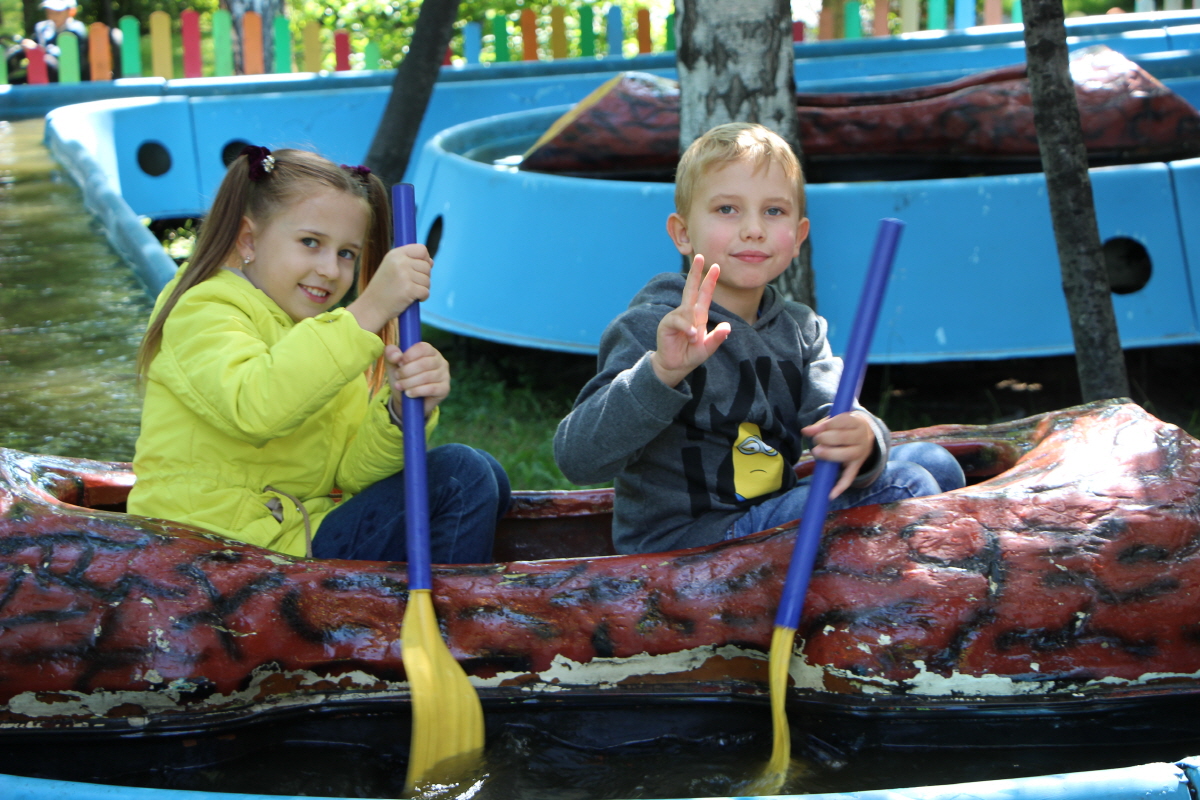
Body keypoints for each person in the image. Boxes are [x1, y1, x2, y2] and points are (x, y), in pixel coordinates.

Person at [554, 122, 964, 555]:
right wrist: (661, 373)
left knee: (936, 464)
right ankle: (890, 614)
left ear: (799, 237)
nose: (753, 229)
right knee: (910, 484)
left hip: (768, 518)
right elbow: (577, 459)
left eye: (773, 211)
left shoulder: (802, 330)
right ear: (682, 232)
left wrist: (862, 436)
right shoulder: (654, 327)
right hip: (686, 546)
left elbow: (836, 414)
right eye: (727, 209)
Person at [128, 146, 509, 564]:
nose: (331, 269)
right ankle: (453, 621)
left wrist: (400, 412)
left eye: (347, 253)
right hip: (214, 550)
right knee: (462, 475)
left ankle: (430, 613)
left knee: (488, 475)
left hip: (293, 536)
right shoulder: (203, 309)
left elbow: (348, 475)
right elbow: (256, 406)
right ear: (248, 239)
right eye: (311, 243)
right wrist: (367, 311)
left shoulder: (327, 337)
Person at [5, 0, 89, 82]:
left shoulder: (76, 30)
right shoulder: (43, 28)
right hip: (41, 73)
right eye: (49, 12)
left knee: (46, 61)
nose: (53, 16)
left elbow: (70, 59)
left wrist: (38, 50)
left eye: (57, 12)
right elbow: (34, 45)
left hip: (67, 76)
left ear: (71, 12)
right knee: (14, 54)